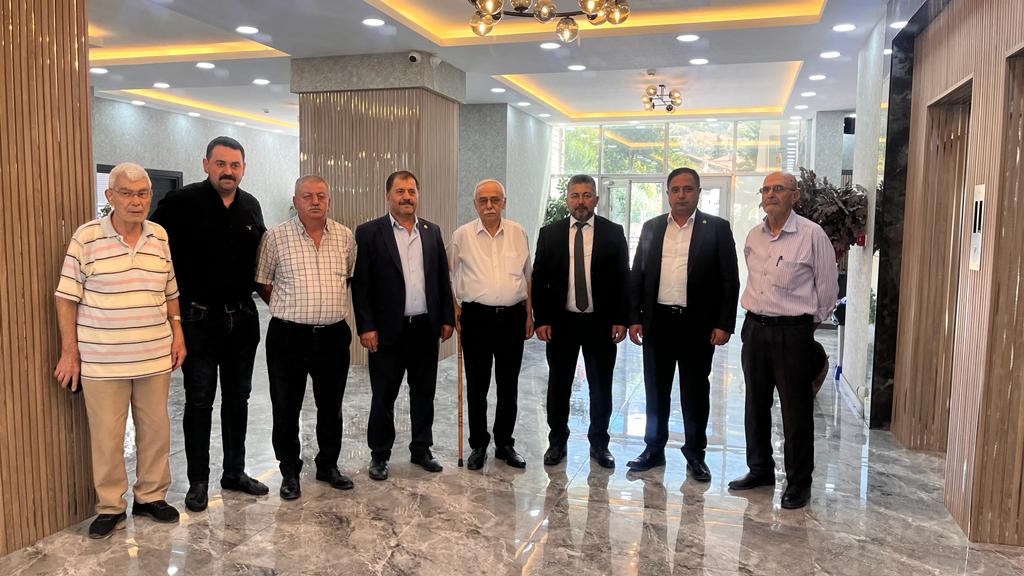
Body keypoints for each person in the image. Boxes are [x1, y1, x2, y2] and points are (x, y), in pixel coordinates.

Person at [54, 162, 186, 539]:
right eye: (126, 193)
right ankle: (111, 505)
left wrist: (177, 333)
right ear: (110, 195)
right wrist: (69, 352)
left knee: (156, 431)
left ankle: (150, 496)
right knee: (108, 437)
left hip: (153, 356)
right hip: (102, 360)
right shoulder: (87, 237)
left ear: (150, 196)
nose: (135, 201)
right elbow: (65, 297)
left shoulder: (159, 236)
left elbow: (170, 291)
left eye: (142, 193)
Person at [151, 136, 269, 512]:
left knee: (238, 399)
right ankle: (198, 482)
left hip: (242, 319)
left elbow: (261, 262)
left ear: (243, 169)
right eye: (221, 164)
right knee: (200, 401)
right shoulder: (180, 202)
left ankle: (234, 472)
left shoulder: (251, 206)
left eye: (235, 165)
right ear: (206, 165)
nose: (228, 171)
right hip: (198, 319)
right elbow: (155, 253)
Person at [728, 171, 838, 510]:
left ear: (795, 196)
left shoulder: (811, 235)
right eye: (766, 189)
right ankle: (760, 469)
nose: (771, 194)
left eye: (779, 189)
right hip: (754, 329)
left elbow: (827, 291)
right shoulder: (753, 236)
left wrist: (803, 328)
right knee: (755, 404)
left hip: (793, 332)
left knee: (796, 410)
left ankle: (799, 483)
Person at [626, 167, 740, 481]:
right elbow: (638, 274)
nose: (681, 195)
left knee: (695, 392)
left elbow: (729, 280)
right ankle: (653, 449)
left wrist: (724, 323)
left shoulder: (716, 228)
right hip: (658, 323)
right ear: (667, 193)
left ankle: (695, 454)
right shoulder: (652, 227)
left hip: (697, 325)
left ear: (698, 193)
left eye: (688, 189)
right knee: (655, 390)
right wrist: (634, 318)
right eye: (675, 189)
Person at [255, 175, 357, 500]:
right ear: (295, 201)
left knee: (331, 406)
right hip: (288, 337)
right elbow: (263, 281)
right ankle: (289, 471)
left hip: (333, 337)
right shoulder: (275, 237)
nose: (315, 201)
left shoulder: (345, 237)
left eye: (321, 196)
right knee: (286, 407)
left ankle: (328, 465)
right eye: (307, 196)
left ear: (329, 201)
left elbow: (348, 278)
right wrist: (290, 308)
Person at [352, 170, 455, 481]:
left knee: (424, 393)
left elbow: (441, 278)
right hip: (386, 332)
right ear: (388, 196)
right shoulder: (369, 232)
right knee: (384, 395)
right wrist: (366, 326)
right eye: (400, 191)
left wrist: (447, 318)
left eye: (411, 191)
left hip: (425, 328)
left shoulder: (431, 231)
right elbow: (361, 285)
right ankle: (379, 454)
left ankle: (421, 448)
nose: (406, 197)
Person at [532, 174, 629, 469]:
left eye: (587, 195)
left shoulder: (613, 233)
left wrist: (621, 318)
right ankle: (557, 441)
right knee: (559, 385)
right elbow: (539, 279)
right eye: (575, 195)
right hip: (562, 323)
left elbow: (623, 278)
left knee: (600, 386)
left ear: (596, 199)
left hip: (601, 323)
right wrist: (541, 319)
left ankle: (599, 443)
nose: (581, 201)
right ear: (567, 200)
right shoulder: (550, 233)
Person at [449, 179, 533, 470]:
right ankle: (478, 444)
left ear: (503, 202)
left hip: (512, 317)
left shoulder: (518, 233)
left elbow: (528, 276)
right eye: (483, 200)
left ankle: (505, 443)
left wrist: (529, 314)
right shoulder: (461, 235)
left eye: (494, 200)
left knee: (509, 385)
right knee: (477, 385)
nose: (489, 205)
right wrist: (455, 307)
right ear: (475, 204)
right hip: (477, 318)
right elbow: (448, 275)